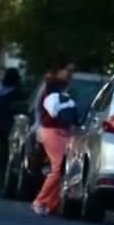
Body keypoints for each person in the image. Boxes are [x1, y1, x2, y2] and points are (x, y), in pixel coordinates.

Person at [31, 63, 76, 216]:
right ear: (58, 70)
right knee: (58, 169)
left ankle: (51, 203)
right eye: (68, 70)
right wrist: (37, 126)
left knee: (60, 169)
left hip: (58, 130)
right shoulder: (51, 86)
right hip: (52, 130)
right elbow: (41, 108)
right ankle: (40, 201)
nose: (71, 74)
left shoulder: (59, 86)